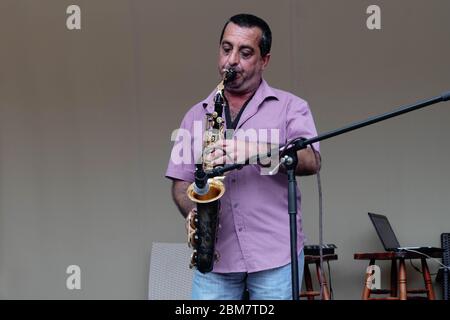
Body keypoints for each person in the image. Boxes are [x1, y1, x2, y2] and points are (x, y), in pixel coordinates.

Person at [165, 13, 321, 300]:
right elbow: (179, 182)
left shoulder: (290, 107)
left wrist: (258, 152)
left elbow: (311, 160)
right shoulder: (195, 116)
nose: (232, 60)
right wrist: (196, 215)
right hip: (215, 257)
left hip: (276, 258)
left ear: (265, 60)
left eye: (245, 52)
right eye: (226, 49)